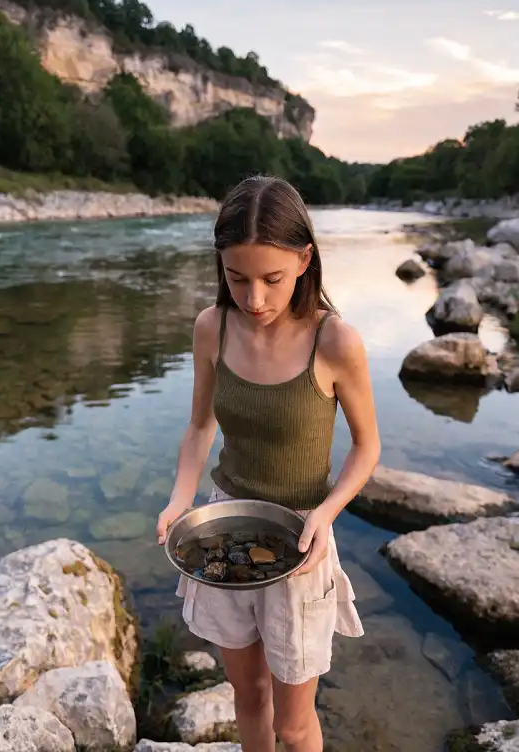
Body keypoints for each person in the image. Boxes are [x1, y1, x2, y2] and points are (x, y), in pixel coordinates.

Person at [156, 175, 381, 752]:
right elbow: (199, 427)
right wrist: (180, 499)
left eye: (272, 279)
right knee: (248, 695)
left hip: (301, 536)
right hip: (224, 527)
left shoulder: (335, 342)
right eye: (237, 278)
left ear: (304, 260)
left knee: (294, 725)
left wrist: (328, 513)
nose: (254, 299)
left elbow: (366, 447)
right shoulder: (211, 327)